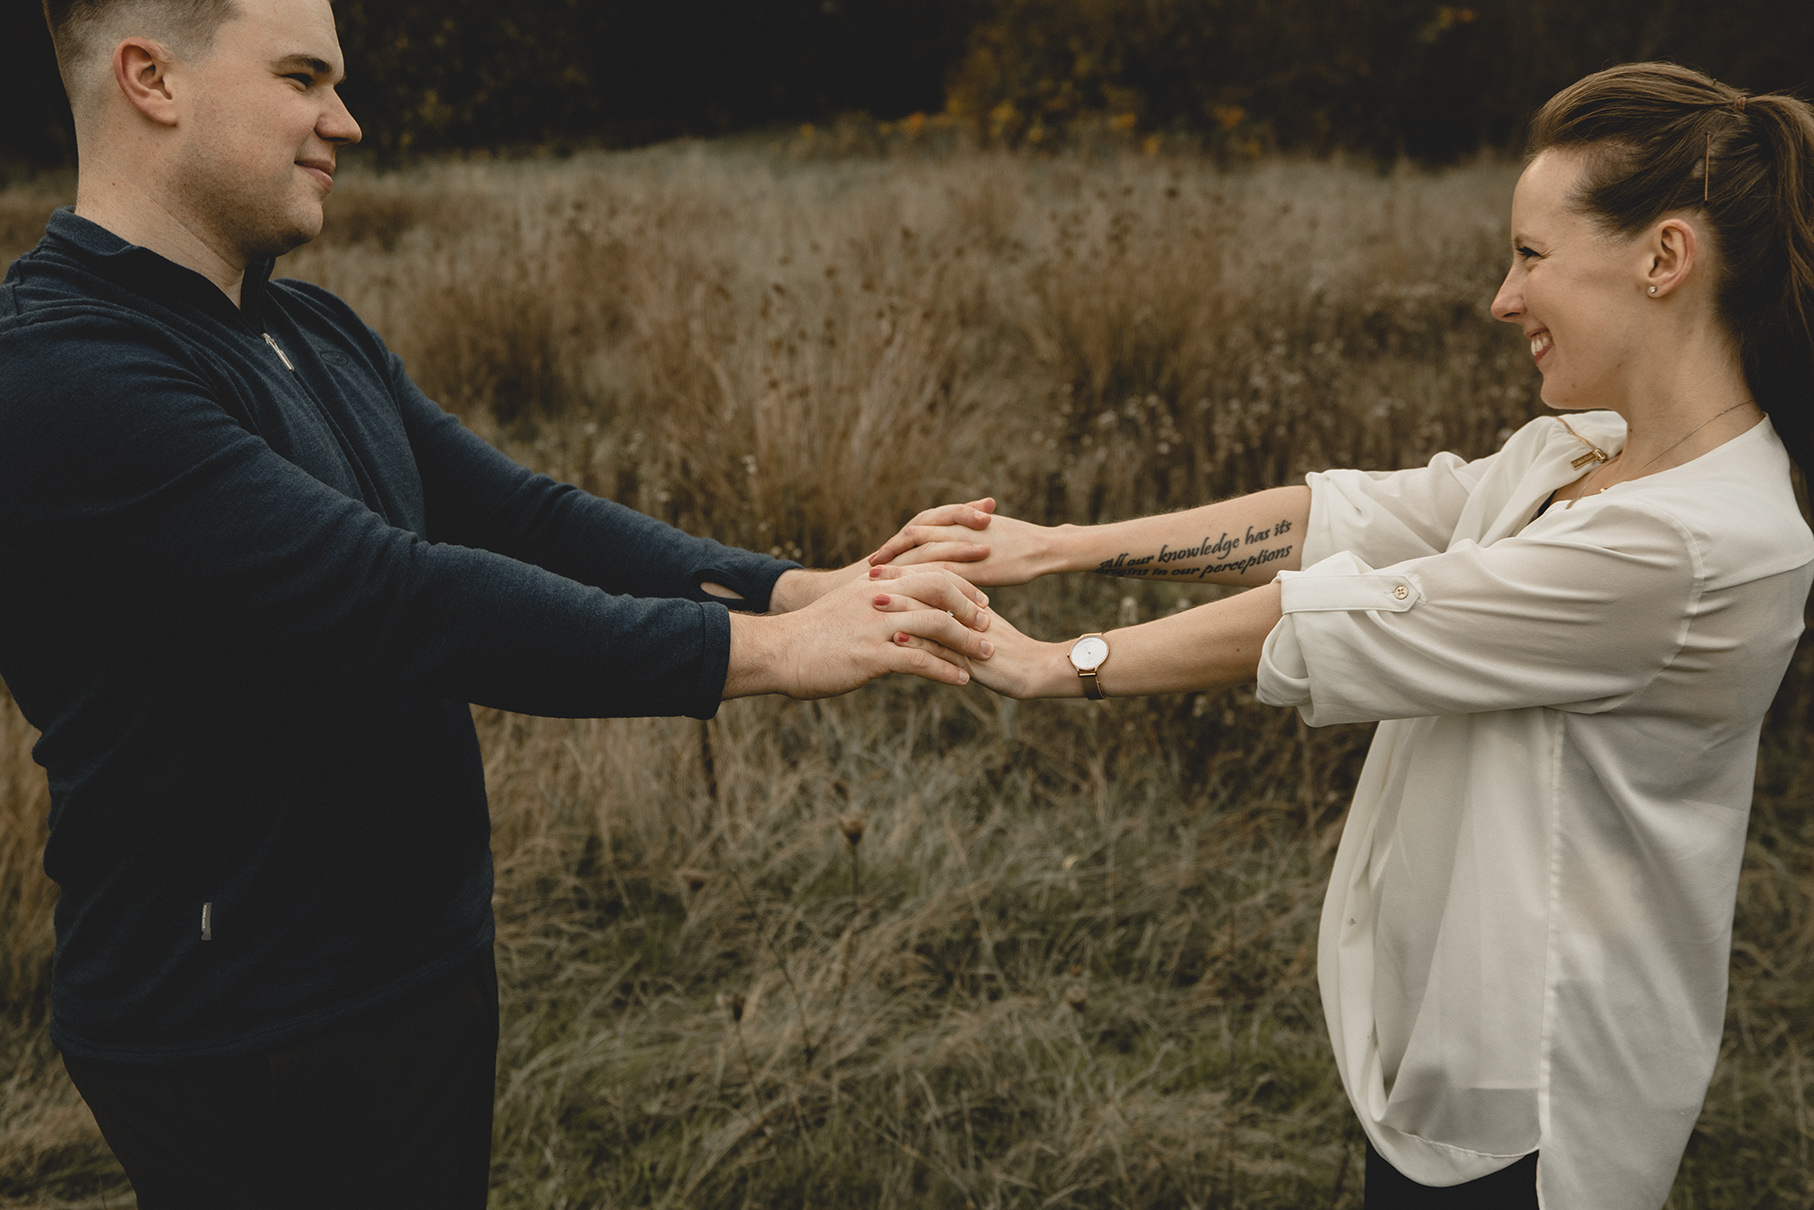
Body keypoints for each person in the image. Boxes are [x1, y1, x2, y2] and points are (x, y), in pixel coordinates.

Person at [2, 0, 995, 1205]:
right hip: (243, 1018)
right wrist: (771, 652)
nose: (345, 122)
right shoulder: (60, 372)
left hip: (405, 964)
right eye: (304, 77)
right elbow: (394, 599)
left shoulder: (305, 324)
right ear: (151, 79)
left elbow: (519, 515)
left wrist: (799, 583)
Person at [874, 62, 1814, 1210]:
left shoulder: (1698, 544)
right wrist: (1058, 544)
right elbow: (1349, 518)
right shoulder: (1576, 454)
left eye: (1528, 256)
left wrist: (1051, 666)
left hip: (1537, 1104)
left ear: (1661, 259)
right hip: (1446, 1063)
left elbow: (1347, 617)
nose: (1500, 300)